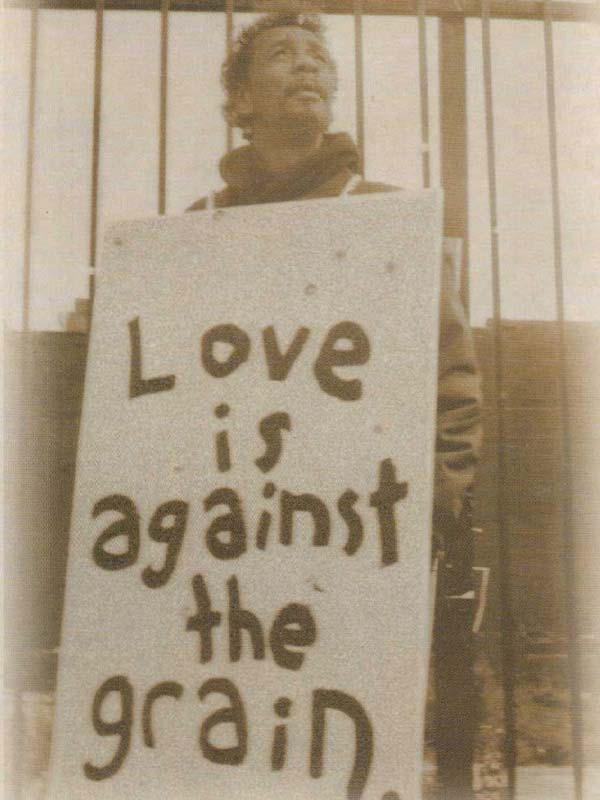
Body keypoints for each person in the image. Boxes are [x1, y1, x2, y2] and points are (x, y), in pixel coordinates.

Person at [189, 13, 482, 799]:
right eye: (282, 55)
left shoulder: (386, 221)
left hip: (356, 547)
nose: (307, 66)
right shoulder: (191, 238)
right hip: (230, 549)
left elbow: (453, 387)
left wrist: (431, 505)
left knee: (342, 749)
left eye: (319, 55)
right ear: (240, 103)